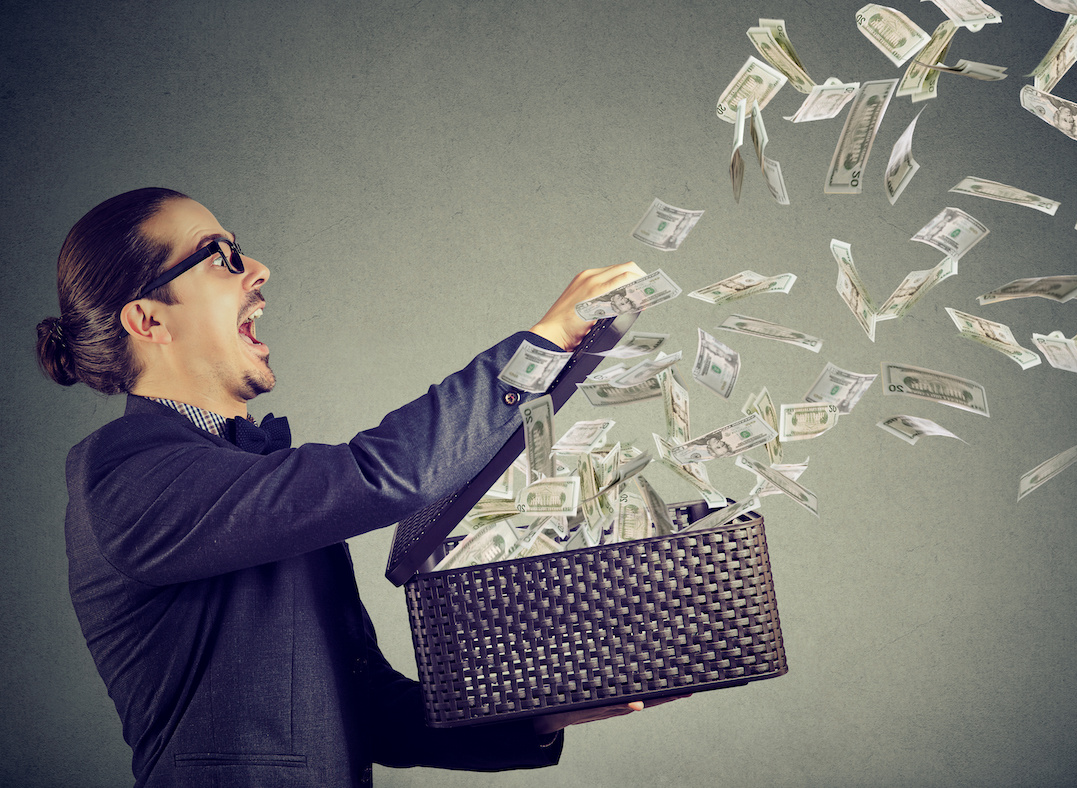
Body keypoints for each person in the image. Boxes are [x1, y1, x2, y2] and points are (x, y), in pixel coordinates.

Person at [35, 187, 669, 787]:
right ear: (149, 319)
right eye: (220, 257)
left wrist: (535, 715)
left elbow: (364, 709)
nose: (257, 268)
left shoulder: (250, 477)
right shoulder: (123, 476)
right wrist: (542, 347)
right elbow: (386, 473)